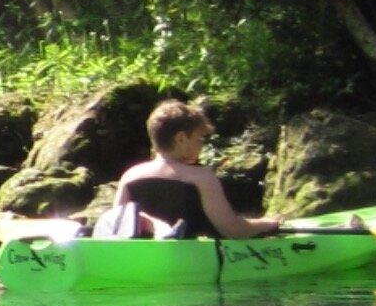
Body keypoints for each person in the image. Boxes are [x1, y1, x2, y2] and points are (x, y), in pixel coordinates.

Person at [98, 99, 281, 240]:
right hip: (190, 260)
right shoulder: (201, 177)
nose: (201, 144)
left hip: (141, 260)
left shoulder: (130, 175)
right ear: (181, 139)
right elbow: (233, 230)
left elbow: (118, 228)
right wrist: (266, 224)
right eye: (199, 138)